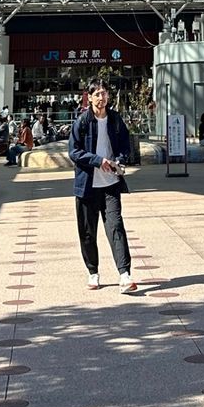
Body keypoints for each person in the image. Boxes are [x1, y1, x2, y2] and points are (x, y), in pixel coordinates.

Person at [68, 82, 137, 294]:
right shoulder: (82, 121)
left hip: (111, 185)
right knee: (88, 232)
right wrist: (98, 161)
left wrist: (119, 160)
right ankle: (93, 272)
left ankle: (124, 275)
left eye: (104, 93)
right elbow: (74, 152)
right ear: (89, 97)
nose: (102, 98)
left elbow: (126, 145)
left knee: (116, 227)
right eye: (98, 94)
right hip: (87, 186)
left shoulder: (115, 119)